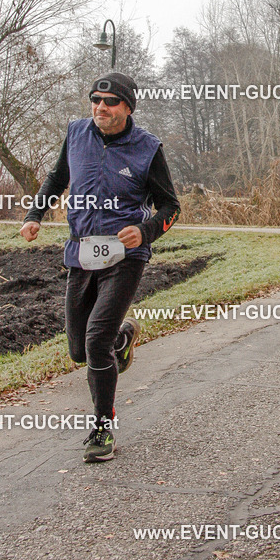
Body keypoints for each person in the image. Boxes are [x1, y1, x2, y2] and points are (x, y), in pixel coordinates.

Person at [20, 73, 180, 462]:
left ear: (127, 107)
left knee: (94, 340)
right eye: (95, 100)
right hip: (81, 253)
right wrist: (35, 214)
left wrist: (144, 232)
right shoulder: (77, 133)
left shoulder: (147, 148)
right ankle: (121, 341)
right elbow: (58, 177)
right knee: (78, 350)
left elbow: (170, 207)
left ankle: (102, 428)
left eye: (109, 102)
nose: (100, 108)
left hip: (125, 258)